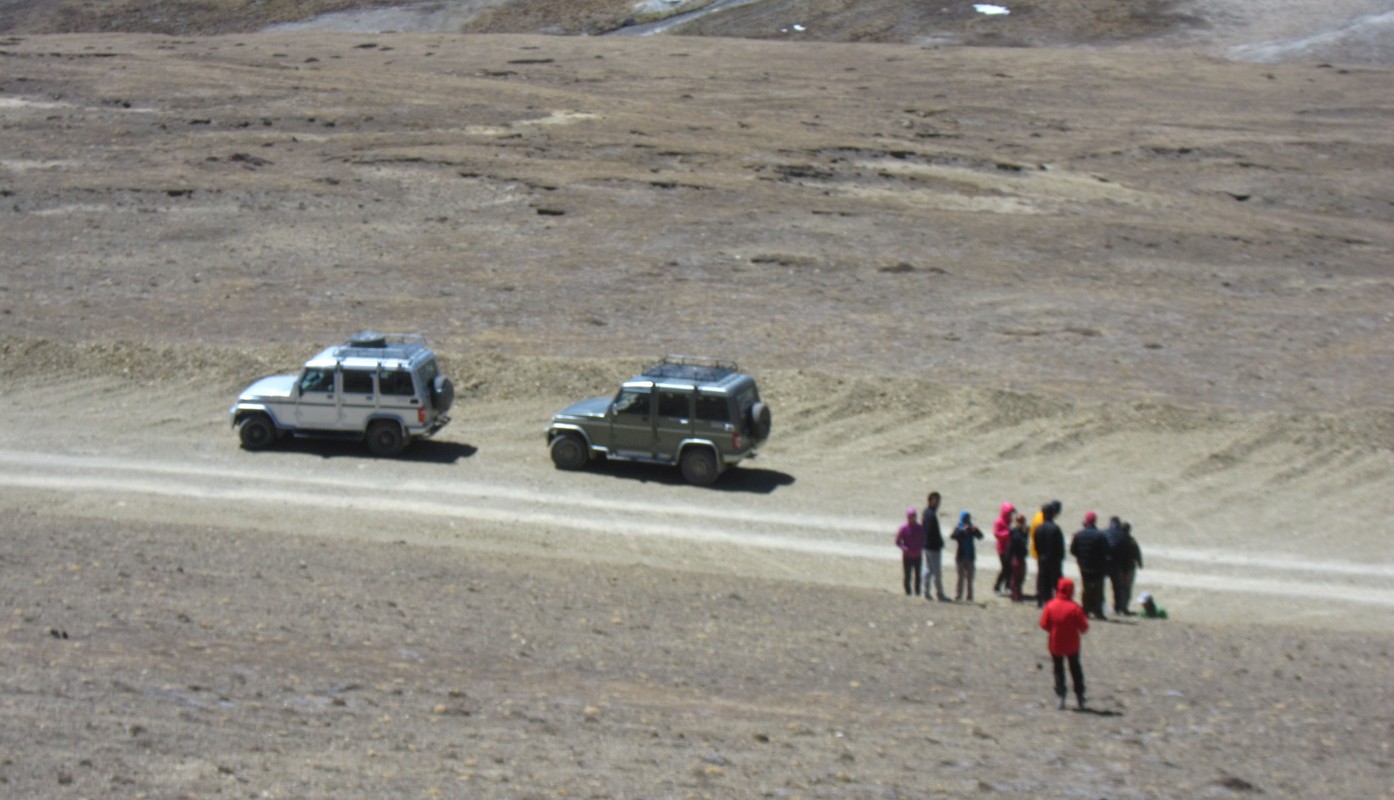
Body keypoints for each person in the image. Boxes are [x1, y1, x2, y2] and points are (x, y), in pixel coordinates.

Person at [1040, 576, 1089, 710]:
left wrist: (1054, 628)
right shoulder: (1075, 608)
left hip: (1055, 643)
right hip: (1072, 644)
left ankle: (1060, 695)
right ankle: (1080, 695)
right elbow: (1084, 628)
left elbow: (1044, 624)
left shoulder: (1051, 605)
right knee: (1075, 669)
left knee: (1058, 669)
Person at [1069, 511, 1111, 620]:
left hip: (1084, 566)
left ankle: (1085, 610)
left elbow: (1073, 550)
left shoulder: (1079, 535)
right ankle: (1098, 611)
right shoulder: (1100, 535)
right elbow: (1106, 551)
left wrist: (1081, 557)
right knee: (1098, 590)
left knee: (1086, 588)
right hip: (1098, 567)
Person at [1108, 520, 1144, 615]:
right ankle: (1124, 607)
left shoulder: (1118, 539)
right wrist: (1140, 564)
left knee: (1119, 588)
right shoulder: (1131, 540)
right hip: (1129, 568)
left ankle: (1118, 607)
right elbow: (1137, 553)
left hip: (1119, 568)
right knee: (1126, 589)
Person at [1034, 502, 1065, 608]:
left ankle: (1045, 602)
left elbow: (1036, 545)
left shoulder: (1038, 529)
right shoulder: (1056, 529)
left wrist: (1040, 556)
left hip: (1042, 559)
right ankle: (1059, 602)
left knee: (1044, 581)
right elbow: (1060, 547)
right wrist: (1060, 558)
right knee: (1057, 583)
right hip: (1054, 560)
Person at [921, 492, 949, 602]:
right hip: (932, 547)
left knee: (928, 569)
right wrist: (938, 543)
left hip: (928, 546)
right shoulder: (930, 515)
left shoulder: (928, 513)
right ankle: (939, 594)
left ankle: (926, 592)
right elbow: (930, 532)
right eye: (936, 500)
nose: (938, 503)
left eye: (938, 500)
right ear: (931, 500)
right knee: (936, 572)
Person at [950, 511, 984, 601]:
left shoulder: (971, 528)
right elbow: (953, 536)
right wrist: (962, 531)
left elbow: (981, 537)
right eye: (966, 518)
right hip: (961, 557)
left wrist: (975, 530)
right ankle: (958, 595)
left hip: (970, 557)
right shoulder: (959, 527)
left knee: (970, 578)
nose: (967, 520)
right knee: (960, 577)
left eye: (968, 518)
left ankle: (969, 596)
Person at [895, 508, 924, 596]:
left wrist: (921, 548)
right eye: (910, 516)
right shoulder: (904, 528)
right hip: (907, 556)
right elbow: (897, 541)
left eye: (914, 516)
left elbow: (924, 539)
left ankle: (917, 592)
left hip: (918, 555)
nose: (912, 518)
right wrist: (905, 548)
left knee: (918, 575)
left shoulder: (920, 528)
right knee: (907, 575)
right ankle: (908, 592)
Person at [992, 501, 1015, 596]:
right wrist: (1008, 533)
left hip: (1009, 548)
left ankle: (1008, 587)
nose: (1011, 514)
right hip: (1002, 549)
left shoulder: (1009, 521)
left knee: (1010, 568)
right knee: (1005, 569)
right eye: (1009, 512)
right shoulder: (999, 521)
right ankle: (997, 587)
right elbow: (997, 534)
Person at [1007, 511, 1029, 602]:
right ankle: (1015, 595)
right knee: (1016, 578)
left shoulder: (1018, 532)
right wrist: (1026, 534)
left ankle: (1017, 594)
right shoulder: (1015, 533)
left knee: (1020, 577)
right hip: (1016, 558)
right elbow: (1022, 542)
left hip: (1020, 557)